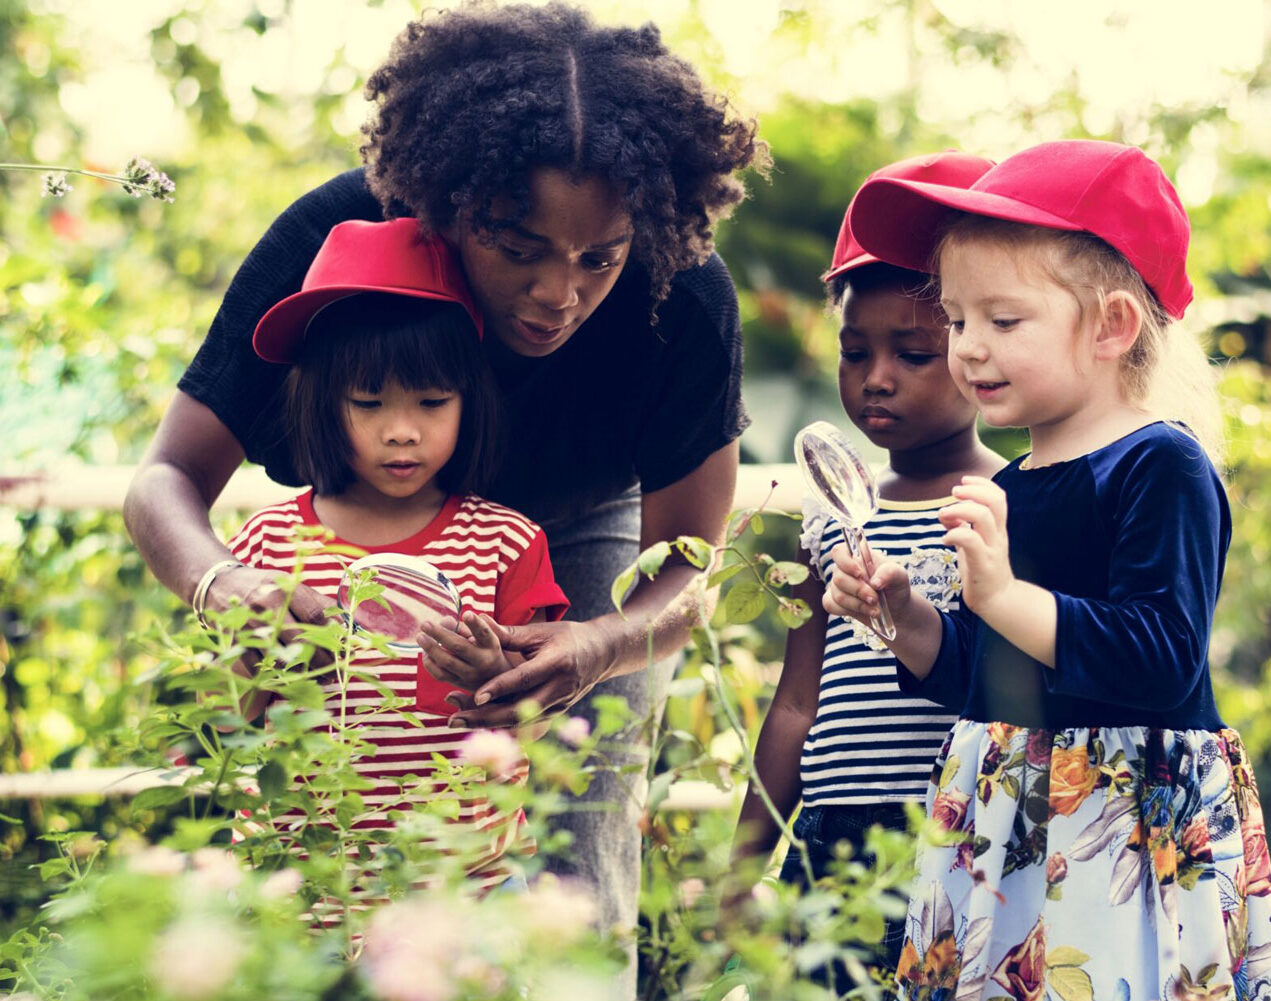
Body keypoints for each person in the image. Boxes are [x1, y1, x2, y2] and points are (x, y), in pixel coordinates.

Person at [122, 3, 765, 988]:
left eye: (601, 256)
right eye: (521, 248)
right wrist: (227, 590)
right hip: (354, 531)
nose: (562, 291)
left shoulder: (684, 291)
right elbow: (165, 480)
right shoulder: (336, 232)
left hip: (584, 527)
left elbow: (686, 565)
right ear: (447, 205)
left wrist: (597, 643)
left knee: (578, 795)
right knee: (337, 798)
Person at [824, 139, 1271, 997]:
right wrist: (906, 620)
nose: (969, 348)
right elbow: (991, 675)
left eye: (1003, 320)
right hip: (1009, 814)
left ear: (1109, 325)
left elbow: (1158, 655)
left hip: (1123, 827)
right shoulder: (1010, 485)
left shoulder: (1158, 464)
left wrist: (1000, 593)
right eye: (957, 321)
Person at [224, 217, 570, 905]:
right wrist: (260, 663)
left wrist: (492, 675)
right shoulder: (265, 546)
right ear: (323, 403)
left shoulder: (504, 542)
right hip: (303, 886)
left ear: (469, 400)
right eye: (368, 402)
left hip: (463, 887)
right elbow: (232, 716)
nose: (401, 429)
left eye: (431, 402)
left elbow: (543, 711)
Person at [727, 151, 1002, 988]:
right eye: (855, 351)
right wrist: (744, 860)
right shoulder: (825, 512)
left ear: (975, 344)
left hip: (958, 834)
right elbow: (797, 698)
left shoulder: (1008, 501)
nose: (875, 377)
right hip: (831, 841)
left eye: (912, 354)